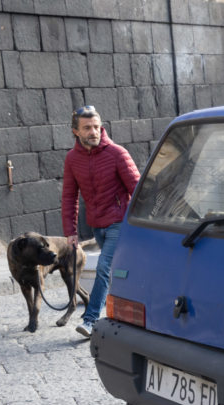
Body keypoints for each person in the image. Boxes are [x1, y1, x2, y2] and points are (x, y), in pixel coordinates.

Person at [61, 106, 140, 338]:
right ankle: (130, 311)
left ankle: (90, 319)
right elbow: (69, 196)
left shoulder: (117, 153)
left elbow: (137, 189)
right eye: (87, 128)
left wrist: (140, 223)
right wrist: (71, 232)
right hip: (97, 225)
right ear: (76, 131)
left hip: (119, 222)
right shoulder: (72, 159)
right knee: (119, 270)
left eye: (96, 126)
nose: (93, 131)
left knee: (104, 269)